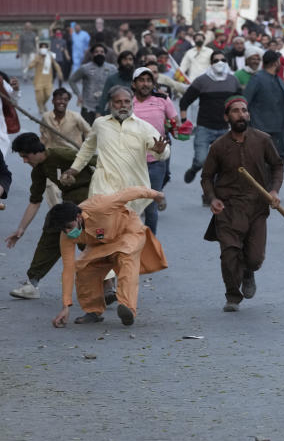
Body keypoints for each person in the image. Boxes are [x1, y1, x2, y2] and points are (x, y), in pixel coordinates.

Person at [201, 96, 284, 312]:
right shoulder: (218, 146)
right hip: (228, 209)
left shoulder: (263, 140)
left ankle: (248, 271)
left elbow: (276, 165)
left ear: (249, 114)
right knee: (229, 253)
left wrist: (274, 190)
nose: (241, 114)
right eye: (236, 111)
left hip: (257, 207)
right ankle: (232, 295)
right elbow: (207, 177)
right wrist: (213, 199)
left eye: (244, 110)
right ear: (227, 117)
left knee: (255, 258)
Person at [48, 186, 168, 328]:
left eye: (68, 226)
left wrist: (156, 195)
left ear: (78, 217)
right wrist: (66, 306)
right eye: (63, 229)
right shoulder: (66, 236)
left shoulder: (100, 206)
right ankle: (93, 311)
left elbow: (130, 192)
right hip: (100, 244)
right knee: (84, 267)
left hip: (127, 232)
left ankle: (127, 308)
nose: (67, 232)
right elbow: (68, 269)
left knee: (126, 259)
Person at [5, 133, 97, 300]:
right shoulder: (39, 170)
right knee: (52, 230)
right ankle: (32, 283)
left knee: (90, 242)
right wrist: (21, 229)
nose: (24, 161)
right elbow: (34, 201)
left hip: (92, 198)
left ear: (35, 151)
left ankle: (108, 285)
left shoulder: (61, 154)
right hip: (69, 204)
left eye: (25, 156)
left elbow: (97, 161)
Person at [61, 85, 169, 218]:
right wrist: (74, 169)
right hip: (104, 186)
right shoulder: (100, 124)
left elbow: (163, 152)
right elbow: (88, 148)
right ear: (110, 104)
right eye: (118, 102)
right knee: (101, 226)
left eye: (127, 101)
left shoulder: (144, 127)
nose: (123, 105)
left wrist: (160, 152)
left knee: (124, 231)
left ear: (131, 103)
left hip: (132, 188)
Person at [180, 49, 242, 195]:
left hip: (225, 129)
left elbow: (240, 103)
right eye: (216, 60)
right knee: (201, 160)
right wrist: (184, 120)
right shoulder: (202, 80)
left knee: (221, 165)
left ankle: (209, 194)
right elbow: (185, 101)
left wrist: (240, 123)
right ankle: (194, 168)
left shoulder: (233, 80)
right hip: (204, 128)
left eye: (223, 60)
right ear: (211, 63)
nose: (220, 63)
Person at [130, 68, 178, 235]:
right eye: (141, 80)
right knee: (131, 207)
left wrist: (177, 129)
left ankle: (151, 245)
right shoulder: (127, 102)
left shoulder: (163, 99)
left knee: (151, 209)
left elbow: (175, 123)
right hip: (131, 163)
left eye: (148, 80)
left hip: (156, 163)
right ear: (134, 84)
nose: (145, 83)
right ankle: (130, 242)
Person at [245, 50, 284, 157]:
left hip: (279, 130)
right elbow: (245, 102)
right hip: (261, 130)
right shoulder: (257, 79)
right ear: (275, 63)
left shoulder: (278, 79)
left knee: (279, 161)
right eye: (279, 61)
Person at [68, 43, 117, 125]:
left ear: (105, 54)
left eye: (102, 52)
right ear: (92, 54)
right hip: (88, 107)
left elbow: (117, 84)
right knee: (87, 134)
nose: (99, 54)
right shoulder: (85, 68)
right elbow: (72, 80)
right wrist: (78, 95)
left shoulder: (112, 68)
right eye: (96, 52)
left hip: (105, 107)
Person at [96, 50, 136, 116]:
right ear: (120, 62)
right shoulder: (111, 79)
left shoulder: (137, 79)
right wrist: (98, 114)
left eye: (130, 59)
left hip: (133, 115)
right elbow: (104, 98)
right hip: (114, 115)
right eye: (125, 60)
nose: (128, 62)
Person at [26, 41, 63, 113]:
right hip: (38, 80)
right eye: (42, 47)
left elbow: (56, 65)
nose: (43, 49)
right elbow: (30, 66)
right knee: (40, 96)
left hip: (48, 80)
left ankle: (43, 104)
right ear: (39, 49)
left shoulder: (50, 56)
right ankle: (40, 107)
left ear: (47, 49)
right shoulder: (37, 57)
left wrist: (59, 73)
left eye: (45, 47)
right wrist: (36, 61)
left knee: (48, 95)